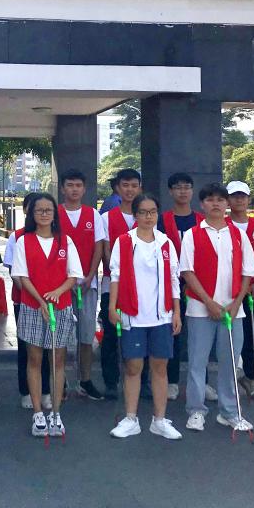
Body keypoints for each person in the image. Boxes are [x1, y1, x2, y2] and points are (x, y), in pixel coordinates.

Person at [179, 183, 254, 433]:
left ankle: (230, 412)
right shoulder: (192, 234)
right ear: (202, 204)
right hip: (200, 309)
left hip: (233, 310)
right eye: (210, 199)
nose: (216, 204)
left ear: (227, 204)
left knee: (229, 362)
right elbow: (187, 272)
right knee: (197, 362)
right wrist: (209, 302)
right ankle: (196, 410)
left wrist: (236, 303)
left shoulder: (238, 235)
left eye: (220, 200)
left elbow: (248, 273)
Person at [107, 193, 182, 440]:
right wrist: (112, 307)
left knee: (160, 368)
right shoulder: (124, 242)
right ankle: (131, 419)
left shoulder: (165, 243)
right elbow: (115, 276)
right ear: (135, 215)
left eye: (153, 212)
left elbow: (174, 279)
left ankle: (159, 420)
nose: (148, 217)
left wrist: (176, 312)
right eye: (143, 212)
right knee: (133, 367)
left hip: (162, 315)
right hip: (133, 314)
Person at [10, 193, 80, 438]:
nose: (43, 214)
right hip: (32, 306)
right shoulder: (23, 241)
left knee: (57, 360)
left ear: (54, 213)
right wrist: (40, 300)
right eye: (39, 210)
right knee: (34, 359)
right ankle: (38, 413)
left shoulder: (65, 241)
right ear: (32, 214)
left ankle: (56, 413)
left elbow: (74, 275)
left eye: (48, 210)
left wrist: (58, 292)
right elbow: (21, 276)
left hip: (60, 307)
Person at [57, 169, 108, 400]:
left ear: (84, 189)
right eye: (70, 185)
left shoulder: (93, 215)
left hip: (87, 284)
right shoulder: (55, 214)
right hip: (60, 286)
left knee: (86, 334)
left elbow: (99, 246)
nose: (74, 189)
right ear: (62, 188)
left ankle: (85, 379)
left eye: (78, 185)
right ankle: (61, 381)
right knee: (60, 336)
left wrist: (90, 276)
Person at [2, 194, 52, 410]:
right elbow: (14, 272)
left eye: (45, 209)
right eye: (34, 208)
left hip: (50, 302)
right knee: (27, 348)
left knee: (48, 346)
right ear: (26, 211)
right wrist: (33, 296)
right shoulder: (18, 237)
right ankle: (26, 391)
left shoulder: (56, 237)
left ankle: (46, 391)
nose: (41, 213)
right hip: (24, 300)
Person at [160, 172, 207, 402]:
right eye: (178, 187)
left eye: (187, 187)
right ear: (171, 191)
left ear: (192, 190)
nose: (183, 191)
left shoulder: (201, 220)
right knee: (174, 333)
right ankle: (171, 381)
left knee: (200, 336)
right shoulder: (162, 220)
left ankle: (202, 383)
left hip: (198, 285)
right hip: (171, 285)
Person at [100, 168, 141, 399]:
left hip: (141, 288)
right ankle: (111, 381)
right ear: (118, 188)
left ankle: (141, 380)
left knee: (139, 333)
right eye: (125, 185)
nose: (129, 190)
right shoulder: (106, 218)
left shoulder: (145, 216)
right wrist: (119, 274)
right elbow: (106, 251)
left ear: (139, 188)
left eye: (134, 185)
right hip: (111, 284)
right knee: (110, 335)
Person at [226, 180, 254, 400]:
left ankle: (250, 378)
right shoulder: (221, 225)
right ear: (228, 200)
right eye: (234, 196)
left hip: (253, 291)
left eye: (243, 196)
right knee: (227, 336)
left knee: (252, 335)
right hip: (228, 291)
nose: (239, 200)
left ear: (249, 199)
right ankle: (226, 381)